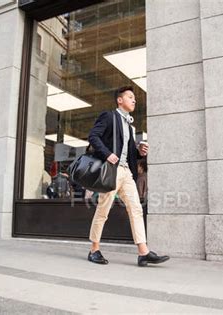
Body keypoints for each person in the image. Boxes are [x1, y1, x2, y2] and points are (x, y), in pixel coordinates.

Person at [87, 86, 170, 267]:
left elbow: (128, 152)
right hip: (111, 170)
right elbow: (93, 136)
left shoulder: (129, 126)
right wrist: (107, 153)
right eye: (130, 97)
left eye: (134, 98)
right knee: (103, 210)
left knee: (136, 209)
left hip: (126, 172)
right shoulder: (109, 117)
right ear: (120, 100)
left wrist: (139, 152)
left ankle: (143, 252)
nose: (134, 100)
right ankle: (94, 249)